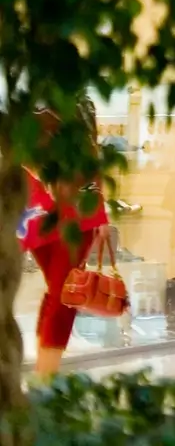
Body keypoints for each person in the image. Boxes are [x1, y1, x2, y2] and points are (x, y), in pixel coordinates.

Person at [20, 106, 111, 379]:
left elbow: (91, 158)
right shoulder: (21, 105)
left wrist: (101, 215)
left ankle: (45, 376)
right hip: (36, 210)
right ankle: (44, 368)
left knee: (63, 293)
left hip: (76, 212)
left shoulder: (76, 105)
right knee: (55, 292)